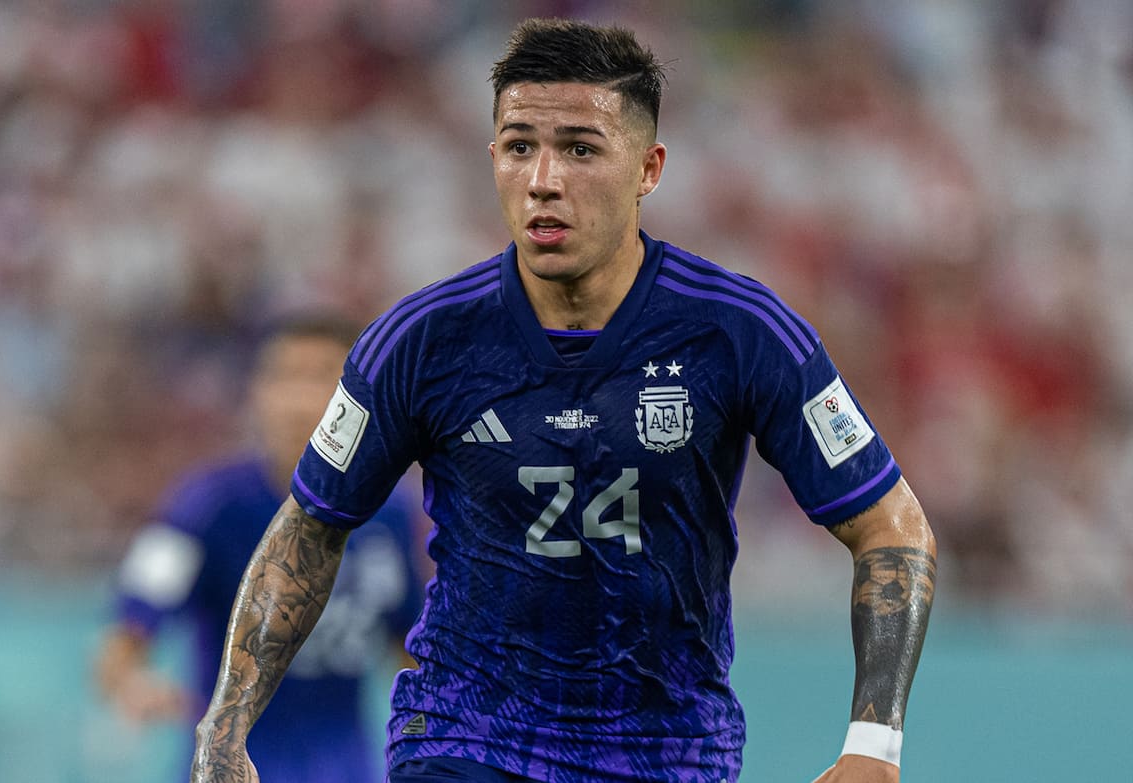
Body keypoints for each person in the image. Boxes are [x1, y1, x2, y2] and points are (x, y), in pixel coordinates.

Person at [191, 18, 936, 783]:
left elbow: (892, 525)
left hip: (666, 752)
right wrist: (226, 724)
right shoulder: (421, 340)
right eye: (519, 147)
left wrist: (873, 746)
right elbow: (310, 526)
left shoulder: (741, 333)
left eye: (580, 149)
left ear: (649, 169)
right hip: (465, 736)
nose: (544, 179)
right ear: (493, 159)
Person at [96, 311, 427, 783]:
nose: (299, 399)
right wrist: (132, 684)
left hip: (347, 768)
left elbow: (411, 648)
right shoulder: (204, 507)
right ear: (256, 393)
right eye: (285, 376)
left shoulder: (393, 514)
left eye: (321, 378)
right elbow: (124, 636)